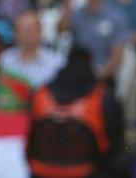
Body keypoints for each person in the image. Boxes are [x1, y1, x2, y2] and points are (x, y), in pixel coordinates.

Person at [26, 47, 124, 178]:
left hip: (41, 171)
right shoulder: (102, 97)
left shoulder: (40, 94)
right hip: (87, 171)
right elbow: (114, 141)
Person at [0, 10, 65, 89]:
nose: (28, 34)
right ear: (15, 33)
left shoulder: (57, 62)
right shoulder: (5, 60)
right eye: (24, 30)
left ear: (40, 31)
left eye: (31, 29)